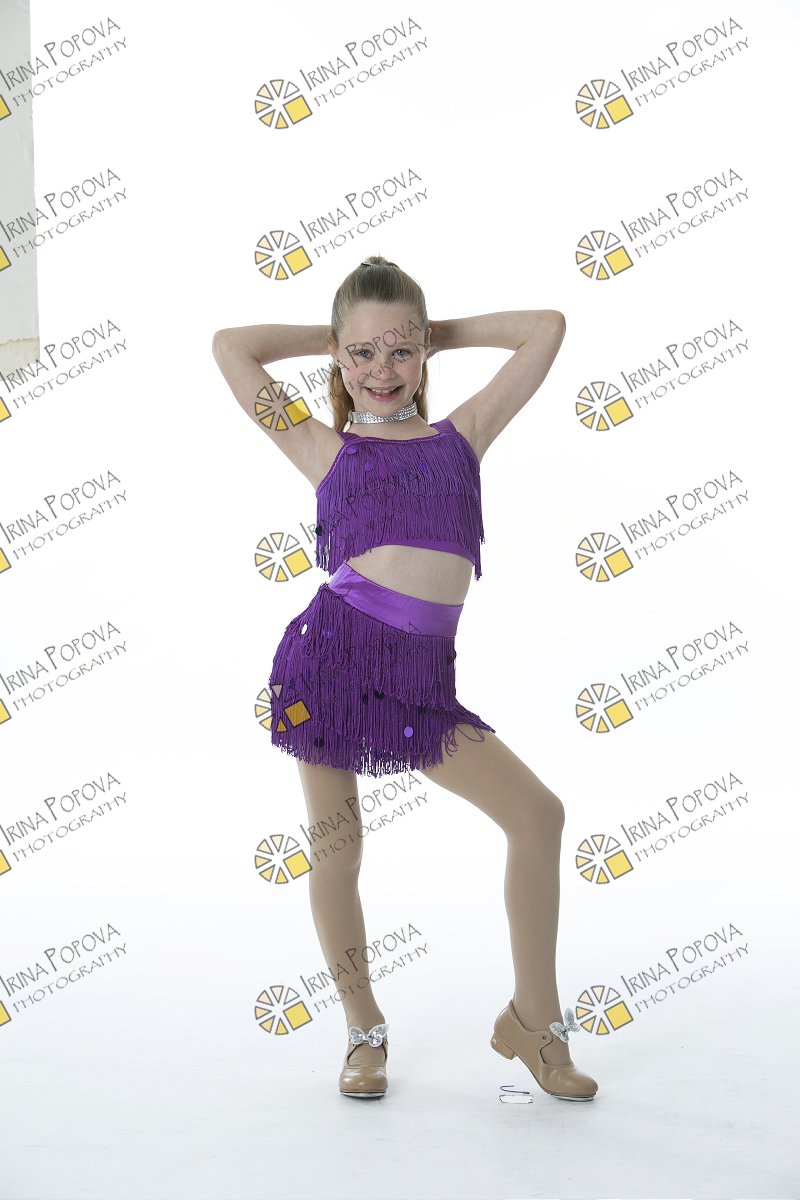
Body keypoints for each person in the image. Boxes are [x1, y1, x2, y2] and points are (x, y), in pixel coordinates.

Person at [211, 255, 598, 1103]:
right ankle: (363, 1029)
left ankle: (534, 1024)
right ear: (337, 359)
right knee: (339, 849)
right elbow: (232, 346)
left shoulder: (464, 435)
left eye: (400, 352)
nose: (381, 371)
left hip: (420, 688)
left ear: (424, 353)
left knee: (537, 816)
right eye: (362, 354)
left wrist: (434, 334)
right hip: (328, 668)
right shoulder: (321, 447)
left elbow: (546, 329)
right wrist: (339, 336)